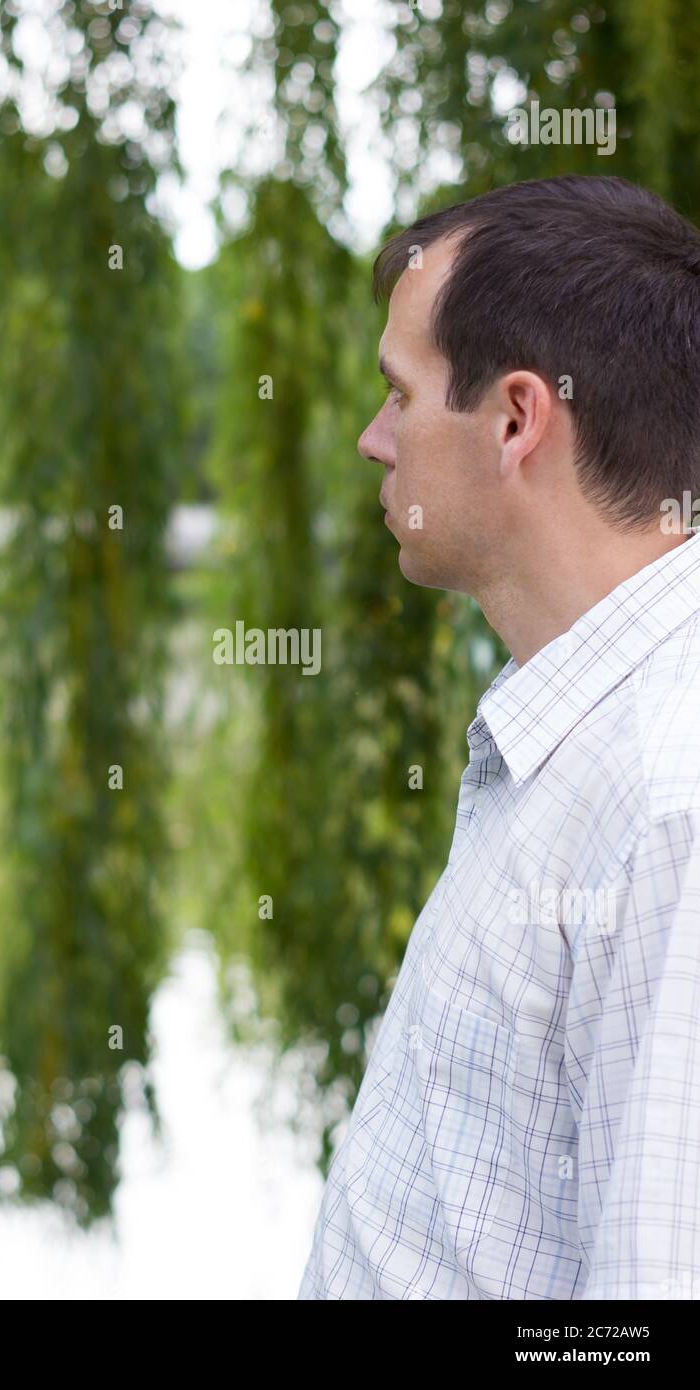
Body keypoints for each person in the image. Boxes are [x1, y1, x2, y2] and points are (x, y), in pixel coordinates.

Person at [298, 175, 700, 1300]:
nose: (374, 440)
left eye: (399, 394)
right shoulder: (579, 734)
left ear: (516, 418)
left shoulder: (671, 792)